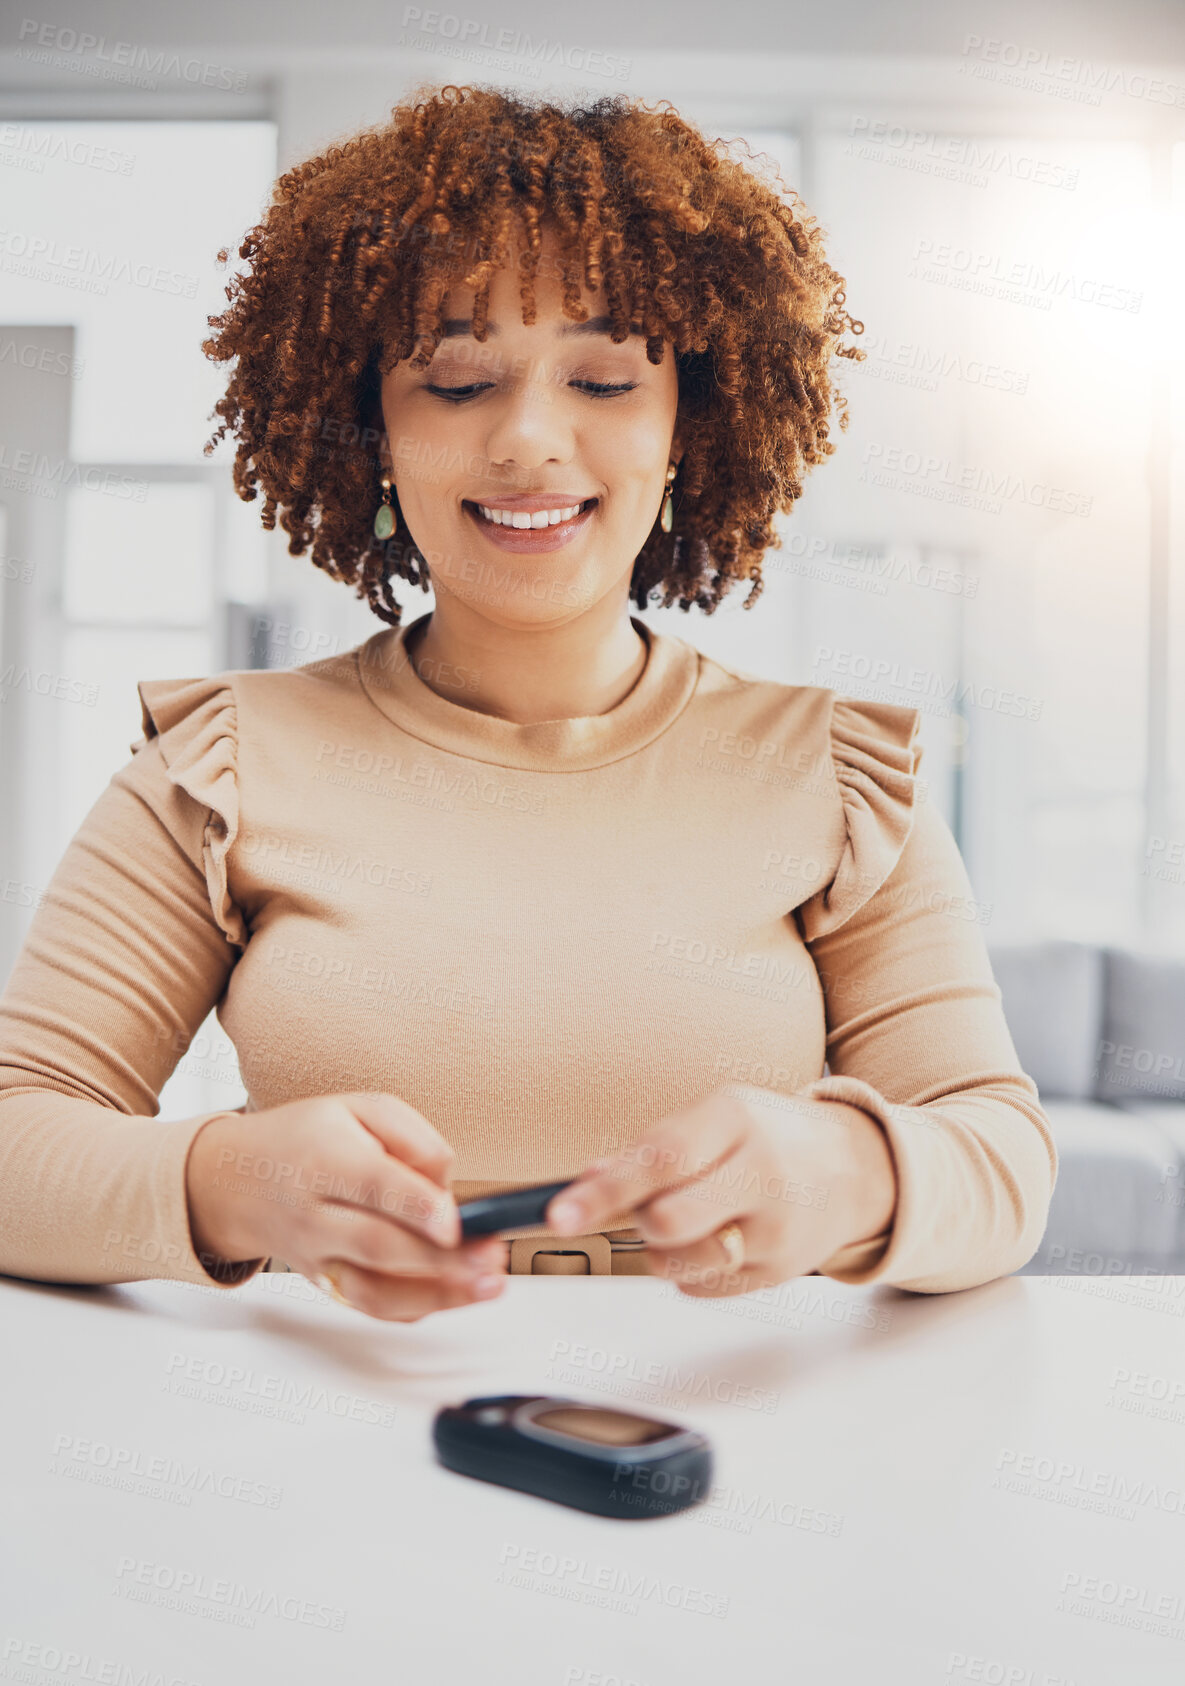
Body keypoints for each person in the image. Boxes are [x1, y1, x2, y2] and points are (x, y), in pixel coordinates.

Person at [0, 85, 1056, 1318]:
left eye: (606, 381)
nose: (529, 442)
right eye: (456, 384)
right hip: (310, 1452)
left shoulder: (836, 781)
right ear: (372, 433)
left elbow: (1004, 1163)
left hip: (739, 1454)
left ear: (685, 431)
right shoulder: (217, 768)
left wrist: (866, 1170)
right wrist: (232, 1182)